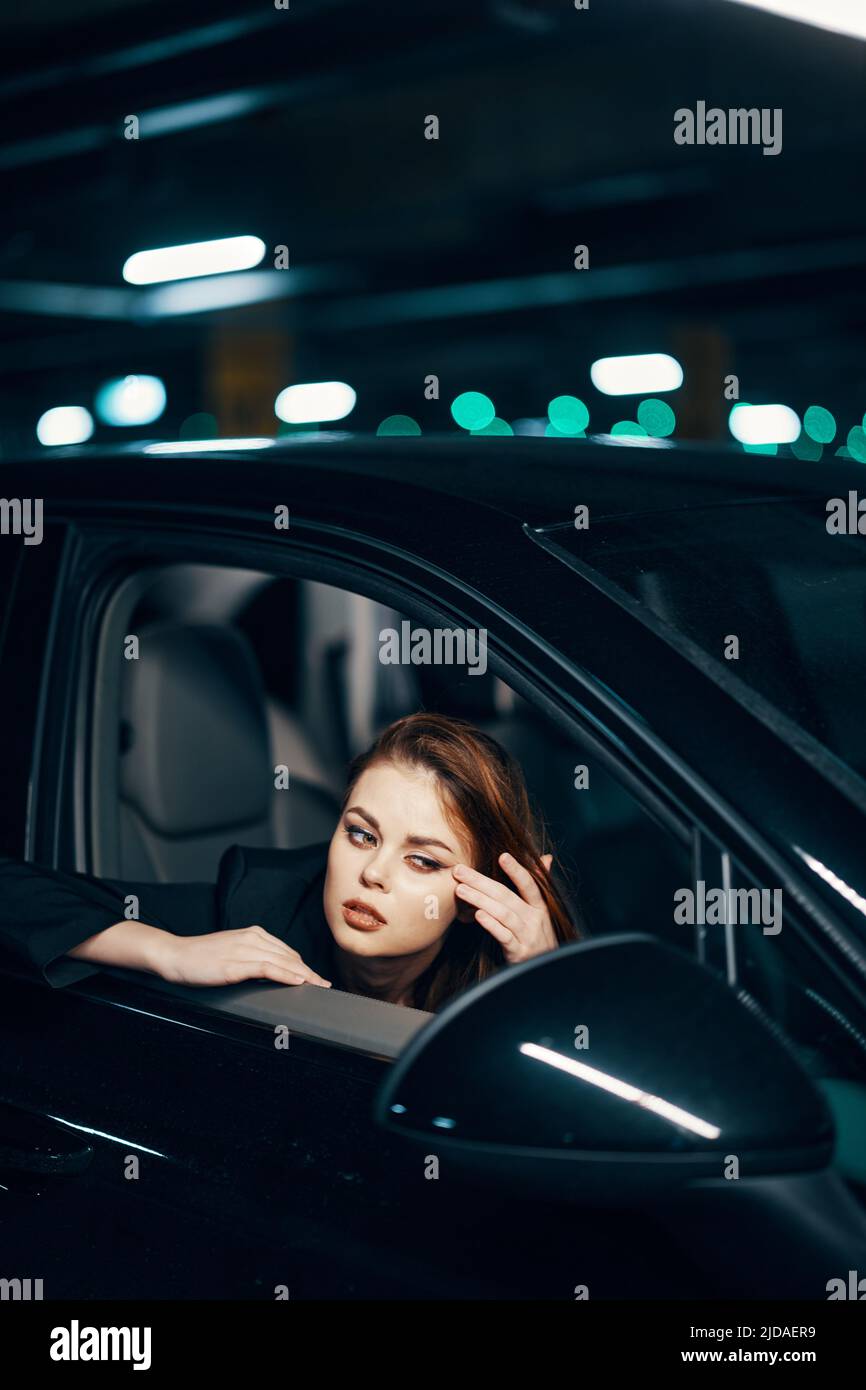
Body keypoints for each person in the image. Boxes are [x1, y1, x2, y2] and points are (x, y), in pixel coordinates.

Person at [0, 711, 583, 1012]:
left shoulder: (502, 967)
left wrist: (545, 981)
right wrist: (168, 950)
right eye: (360, 834)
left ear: (474, 898)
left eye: (423, 862)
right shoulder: (255, 907)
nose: (373, 874)